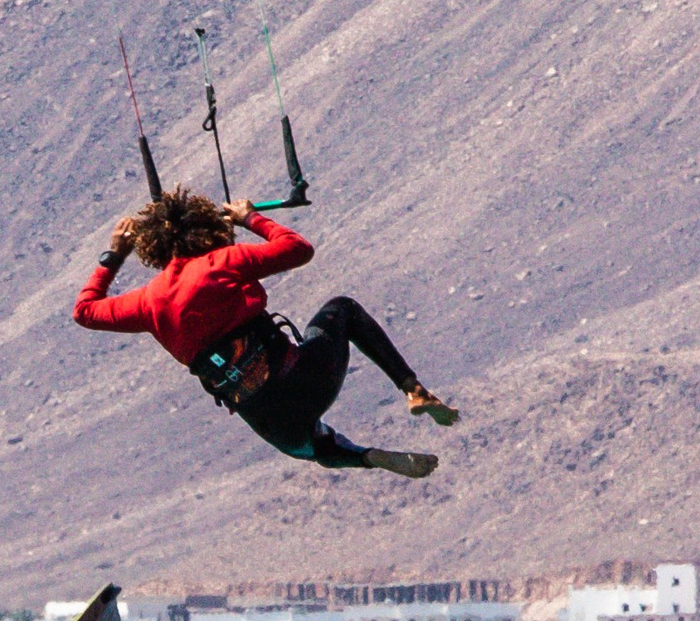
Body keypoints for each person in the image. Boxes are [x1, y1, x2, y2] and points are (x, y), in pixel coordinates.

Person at [73, 186, 459, 476]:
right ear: (207, 228)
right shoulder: (223, 260)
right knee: (343, 309)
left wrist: (114, 255)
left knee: (309, 445)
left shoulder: (147, 302)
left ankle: (364, 456)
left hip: (271, 420)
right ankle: (413, 389)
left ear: (153, 249)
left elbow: (85, 311)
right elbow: (297, 248)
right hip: (308, 379)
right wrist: (250, 219)